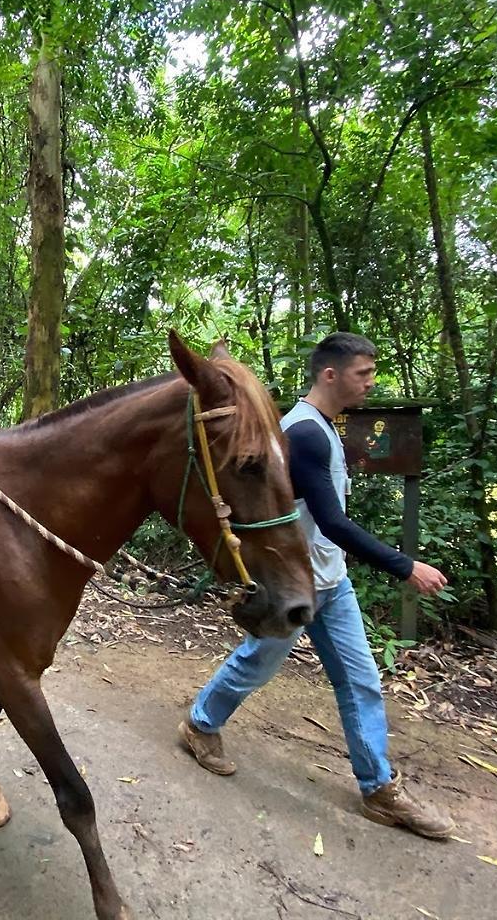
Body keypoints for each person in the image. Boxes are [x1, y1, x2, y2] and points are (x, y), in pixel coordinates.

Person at [178, 332, 455, 839]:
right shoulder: (303, 433)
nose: (371, 383)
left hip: (333, 582)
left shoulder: (325, 426)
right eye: (362, 374)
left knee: (360, 680)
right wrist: (404, 566)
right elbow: (331, 522)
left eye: (371, 373)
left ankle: (379, 788)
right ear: (331, 375)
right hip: (296, 583)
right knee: (254, 666)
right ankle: (199, 725)